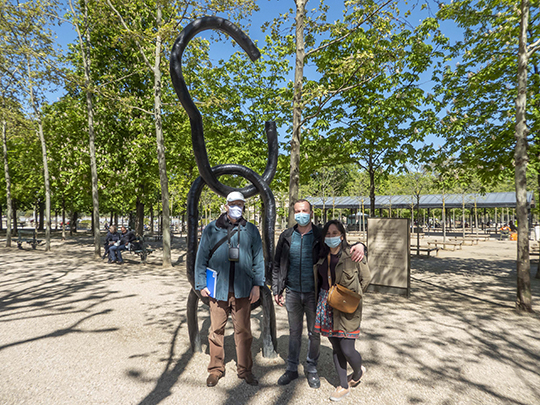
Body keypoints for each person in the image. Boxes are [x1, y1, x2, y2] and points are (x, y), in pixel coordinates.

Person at [272, 200, 365, 389]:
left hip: (314, 294)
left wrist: (362, 244)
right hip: (291, 291)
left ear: (311, 213)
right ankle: (291, 368)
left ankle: (311, 368)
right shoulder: (286, 235)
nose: (301, 214)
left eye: (304, 210)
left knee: (314, 334)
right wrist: (277, 288)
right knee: (294, 332)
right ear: (293, 213)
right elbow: (277, 263)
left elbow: (343, 246)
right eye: (297, 211)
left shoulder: (320, 235)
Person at [195, 191, 265, 387]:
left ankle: (245, 369)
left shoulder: (251, 230)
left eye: (240, 204)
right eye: (233, 204)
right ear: (226, 205)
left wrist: (257, 285)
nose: (237, 207)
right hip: (218, 290)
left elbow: (258, 259)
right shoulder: (211, 229)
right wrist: (201, 284)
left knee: (243, 331)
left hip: (243, 290)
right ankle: (216, 369)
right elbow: (201, 258)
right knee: (216, 330)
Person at [314, 219, 371, 402]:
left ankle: (357, 372)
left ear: (342, 235)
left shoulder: (353, 254)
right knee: (336, 347)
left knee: (347, 347)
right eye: (328, 234)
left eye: (335, 233)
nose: (331, 237)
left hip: (346, 308)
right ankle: (343, 386)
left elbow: (366, 278)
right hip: (326, 304)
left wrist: (352, 297)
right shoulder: (321, 256)